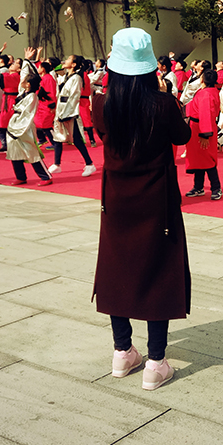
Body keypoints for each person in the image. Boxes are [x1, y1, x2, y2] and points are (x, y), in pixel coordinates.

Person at [92, 27, 191, 391]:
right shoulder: (161, 104)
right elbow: (182, 137)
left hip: (116, 199)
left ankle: (122, 352)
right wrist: (168, 96)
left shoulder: (101, 103)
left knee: (117, 267)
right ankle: (155, 361)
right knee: (158, 271)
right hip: (157, 198)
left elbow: (105, 134)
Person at [50, 54, 96, 177]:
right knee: (57, 137)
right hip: (61, 110)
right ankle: (57, 164)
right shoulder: (66, 76)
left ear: (74, 64)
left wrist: (67, 113)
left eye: (69, 59)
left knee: (76, 139)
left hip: (69, 112)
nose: (65, 60)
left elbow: (74, 97)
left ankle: (89, 164)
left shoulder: (76, 78)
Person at [6, 72, 53, 185]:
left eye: (25, 80)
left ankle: (45, 176)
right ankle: (20, 176)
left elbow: (27, 114)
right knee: (14, 150)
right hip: (15, 122)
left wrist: (18, 128)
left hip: (24, 126)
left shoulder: (32, 97)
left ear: (29, 84)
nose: (22, 81)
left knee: (31, 151)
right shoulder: (24, 93)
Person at [184, 69, 222, 200]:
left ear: (202, 79)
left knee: (207, 159)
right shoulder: (210, 92)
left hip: (202, 128)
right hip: (198, 127)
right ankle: (198, 186)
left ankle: (216, 187)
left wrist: (205, 134)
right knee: (199, 158)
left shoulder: (205, 94)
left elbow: (206, 114)